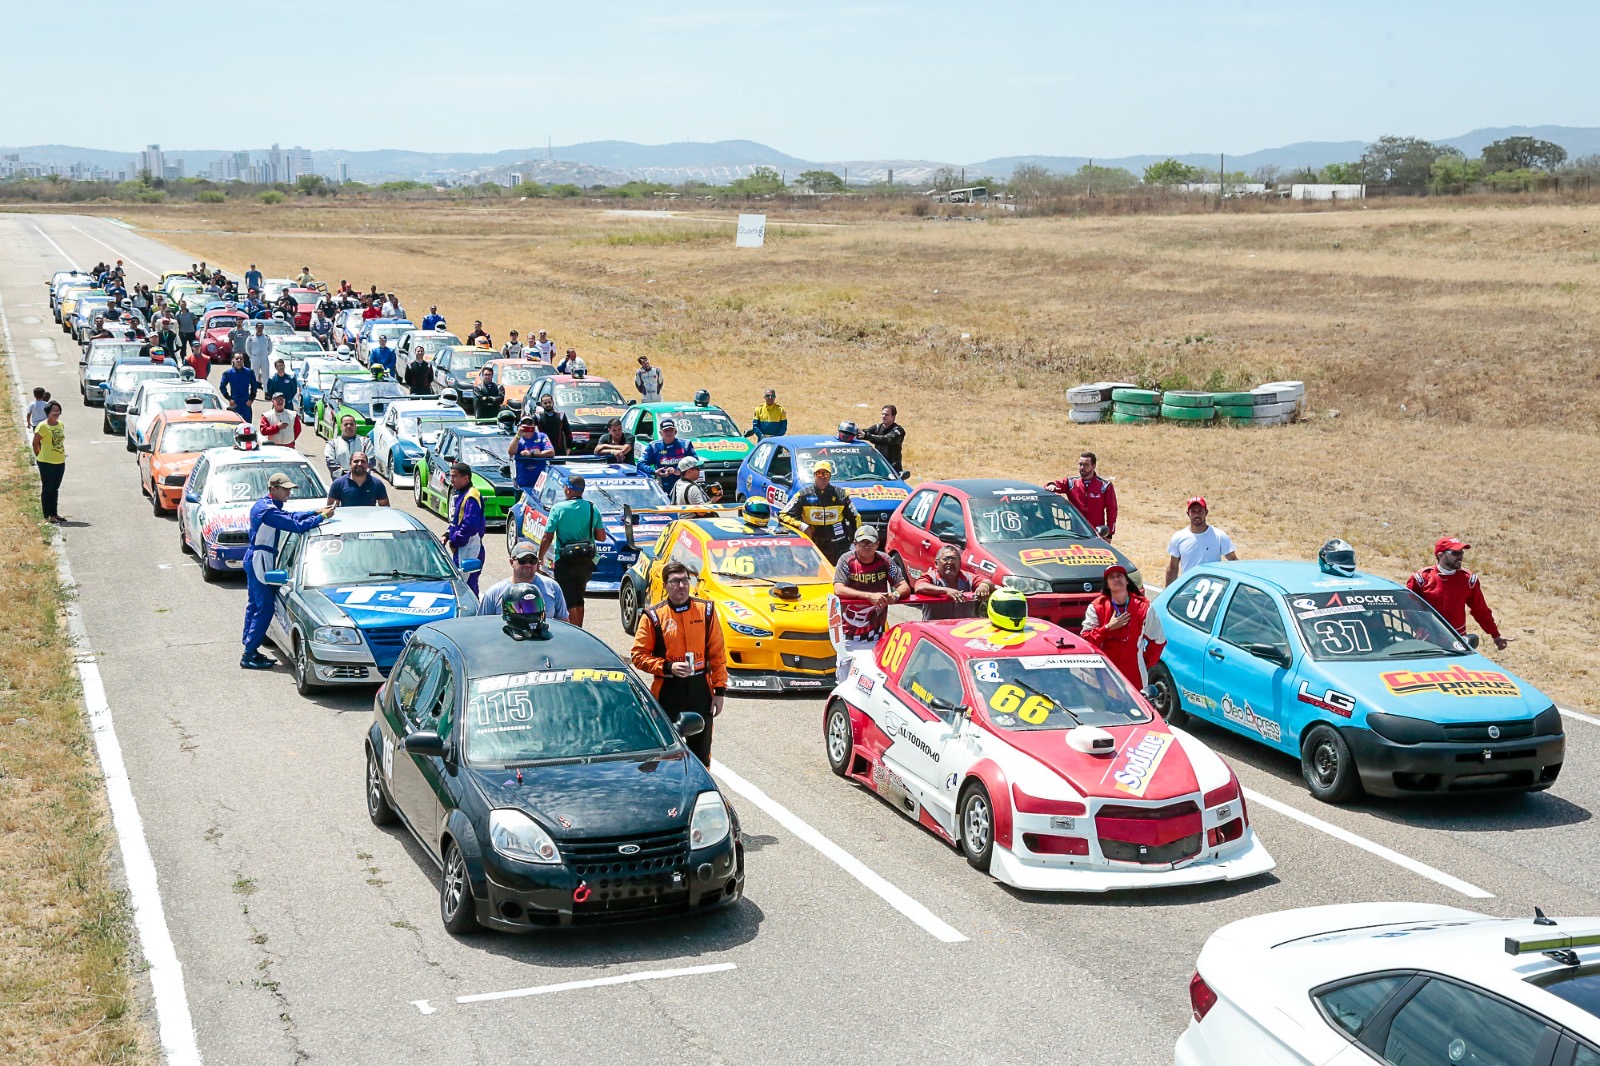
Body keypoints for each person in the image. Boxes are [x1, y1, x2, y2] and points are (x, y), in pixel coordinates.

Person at [629, 560, 726, 765]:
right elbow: (638, 655)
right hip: (668, 688)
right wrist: (667, 667)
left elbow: (717, 654)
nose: (681, 586)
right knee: (665, 751)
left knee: (701, 750)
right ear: (665, 586)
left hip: (700, 687)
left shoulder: (706, 611)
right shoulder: (653, 616)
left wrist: (719, 692)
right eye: (675, 581)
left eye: (684, 580)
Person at [241, 473, 334, 669]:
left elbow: (291, 516)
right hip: (261, 559)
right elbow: (296, 526)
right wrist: (322, 517)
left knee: (255, 605)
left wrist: (315, 511)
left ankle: (250, 648)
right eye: (285, 489)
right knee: (264, 607)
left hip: (257, 557)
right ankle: (249, 652)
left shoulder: (267, 505)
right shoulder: (268, 510)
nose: (288, 493)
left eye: (289, 489)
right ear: (273, 489)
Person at [832, 527, 910, 679]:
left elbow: (904, 586)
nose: (866, 546)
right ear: (855, 544)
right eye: (863, 543)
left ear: (877, 544)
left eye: (870, 543)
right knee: (845, 675)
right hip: (849, 632)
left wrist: (895, 594)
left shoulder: (885, 560)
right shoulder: (846, 560)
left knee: (873, 675)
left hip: (876, 631)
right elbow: (838, 589)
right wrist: (868, 596)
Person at [1407, 537, 1510, 650]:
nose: (1460, 557)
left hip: (1456, 640)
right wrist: (1418, 628)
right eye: (1455, 553)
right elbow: (1408, 609)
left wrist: (1495, 635)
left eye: (1461, 553)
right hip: (1427, 639)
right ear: (1441, 555)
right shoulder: (1420, 579)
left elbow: (1480, 610)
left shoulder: (1468, 579)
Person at [536, 475, 606, 628]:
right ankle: (580, 629)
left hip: (564, 559)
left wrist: (539, 557)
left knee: (568, 598)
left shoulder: (558, 508)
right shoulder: (592, 508)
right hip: (586, 561)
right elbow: (601, 537)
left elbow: (547, 537)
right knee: (579, 597)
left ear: (568, 489)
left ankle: (574, 631)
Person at [1082, 565, 1166, 687]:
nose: (1116, 579)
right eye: (1112, 577)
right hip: (1105, 672)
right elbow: (1085, 640)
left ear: (1127, 581)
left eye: (1120, 576)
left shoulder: (1143, 608)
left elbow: (1158, 640)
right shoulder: (1096, 608)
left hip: (1134, 674)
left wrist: (1145, 662)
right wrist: (1108, 628)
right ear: (1107, 585)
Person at [783, 459, 859, 563]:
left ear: (830, 476)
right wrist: (802, 525)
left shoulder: (841, 494)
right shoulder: (803, 495)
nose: (822, 477)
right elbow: (783, 515)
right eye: (819, 473)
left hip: (838, 545)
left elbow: (856, 518)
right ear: (814, 475)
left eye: (826, 474)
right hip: (813, 545)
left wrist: (856, 541)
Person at [477, 541, 569, 622]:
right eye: (523, 560)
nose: (528, 564)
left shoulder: (552, 587)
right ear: (511, 562)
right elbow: (481, 625)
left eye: (532, 561)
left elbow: (564, 623)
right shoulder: (494, 593)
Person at [1164, 496, 1238, 585]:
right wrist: (1168, 593)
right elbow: (1173, 568)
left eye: (1200, 511)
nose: (1197, 515)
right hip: (1188, 591)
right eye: (1193, 511)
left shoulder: (1219, 536)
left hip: (1213, 591)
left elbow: (1234, 562)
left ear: (1206, 512)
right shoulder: (1178, 537)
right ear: (1188, 513)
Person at [1048, 451, 1118, 540]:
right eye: (1080, 464)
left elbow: (1112, 510)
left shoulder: (1104, 486)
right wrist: (1052, 485)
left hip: (1096, 534)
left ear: (1094, 466)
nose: (1082, 468)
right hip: (1075, 533)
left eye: (1086, 465)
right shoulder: (1071, 483)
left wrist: (1109, 534)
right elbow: (1054, 484)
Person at [913, 544, 993, 620]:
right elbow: (919, 587)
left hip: (962, 629)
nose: (950, 562)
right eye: (946, 559)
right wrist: (946, 591)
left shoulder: (967, 577)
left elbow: (987, 582)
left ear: (960, 563)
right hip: (936, 629)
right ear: (936, 563)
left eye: (954, 559)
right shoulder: (930, 576)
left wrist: (984, 586)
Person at [444, 462, 487, 594]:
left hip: (469, 548)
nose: (451, 480)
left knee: (466, 587)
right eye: (450, 476)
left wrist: (455, 541)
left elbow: (469, 526)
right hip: (462, 547)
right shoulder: (461, 494)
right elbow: (456, 521)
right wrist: (446, 535)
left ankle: (473, 614)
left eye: (455, 476)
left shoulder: (471, 496)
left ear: (466, 478)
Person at [637, 417, 695, 492]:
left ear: (675, 432)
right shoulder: (654, 446)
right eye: (665, 431)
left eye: (671, 430)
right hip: (663, 487)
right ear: (660, 433)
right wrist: (655, 472)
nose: (669, 433)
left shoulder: (686, 444)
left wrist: (680, 472)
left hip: (684, 485)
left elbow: (695, 464)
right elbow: (640, 464)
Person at [32, 400, 66, 524]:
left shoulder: (60, 424)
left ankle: (54, 513)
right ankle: (47, 515)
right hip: (46, 462)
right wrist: (39, 455)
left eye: (58, 410)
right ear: (48, 412)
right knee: (48, 488)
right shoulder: (42, 426)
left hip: (60, 461)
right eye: (53, 411)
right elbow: (35, 443)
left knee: (55, 488)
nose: (56, 413)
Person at [508, 415, 555, 499]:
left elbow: (551, 452)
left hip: (540, 483)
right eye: (524, 424)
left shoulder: (541, 436)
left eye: (530, 423)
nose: (527, 426)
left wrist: (532, 454)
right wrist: (518, 435)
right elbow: (511, 452)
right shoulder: (518, 439)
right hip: (523, 483)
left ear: (534, 425)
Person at [326, 451, 390, 508]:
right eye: (356, 461)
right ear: (350, 464)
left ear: (367, 464)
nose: (359, 464)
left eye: (363, 461)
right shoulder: (338, 484)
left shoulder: (377, 484)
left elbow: (385, 509)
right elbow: (331, 510)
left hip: (370, 521)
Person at [860, 404, 905, 472]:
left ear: (893, 417)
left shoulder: (898, 430)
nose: (883, 416)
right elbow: (863, 432)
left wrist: (866, 436)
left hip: (893, 468)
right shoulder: (877, 427)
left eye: (886, 415)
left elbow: (886, 439)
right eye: (882, 414)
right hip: (879, 466)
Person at [219, 353, 259, 423]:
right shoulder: (228, 373)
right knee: (234, 424)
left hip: (246, 403)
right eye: (237, 358)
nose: (239, 360)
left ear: (243, 360)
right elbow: (222, 387)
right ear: (233, 360)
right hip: (235, 403)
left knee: (247, 425)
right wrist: (229, 399)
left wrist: (251, 399)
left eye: (241, 359)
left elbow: (254, 387)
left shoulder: (249, 372)